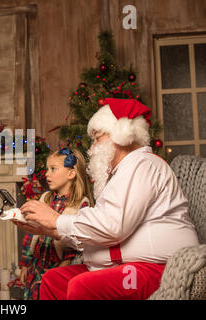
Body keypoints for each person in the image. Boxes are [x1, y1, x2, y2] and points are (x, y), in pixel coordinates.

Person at [16, 98, 199, 300]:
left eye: (97, 138)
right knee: (54, 279)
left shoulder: (142, 165)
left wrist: (56, 220)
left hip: (157, 270)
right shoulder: (120, 174)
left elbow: (112, 226)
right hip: (122, 267)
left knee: (82, 285)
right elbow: (100, 234)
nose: (92, 148)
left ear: (120, 135)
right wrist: (50, 229)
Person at [19, 148, 94, 299]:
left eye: (53, 169)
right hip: (37, 264)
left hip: (59, 267)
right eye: (47, 169)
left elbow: (75, 241)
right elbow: (31, 233)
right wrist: (25, 265)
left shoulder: (80, 204)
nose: (47, 174)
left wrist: (61, 269)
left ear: (71, 173)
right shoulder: (45, 198)